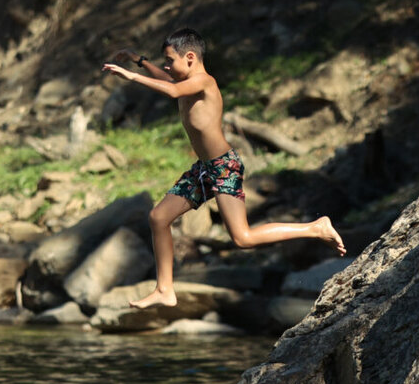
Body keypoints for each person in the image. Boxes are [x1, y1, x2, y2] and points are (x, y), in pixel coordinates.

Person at [102, 29, 345, 309]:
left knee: (242, 238)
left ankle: (315, 228)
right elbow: (169, 80)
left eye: (170, 60)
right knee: (158, 218)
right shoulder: (186, 80)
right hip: (205, 168)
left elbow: (170, 89)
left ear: (190, 57)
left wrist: (131, 76)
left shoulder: (204, 81)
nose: (167, 66)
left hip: (224, 167)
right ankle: (164, 289)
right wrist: (139, 60)